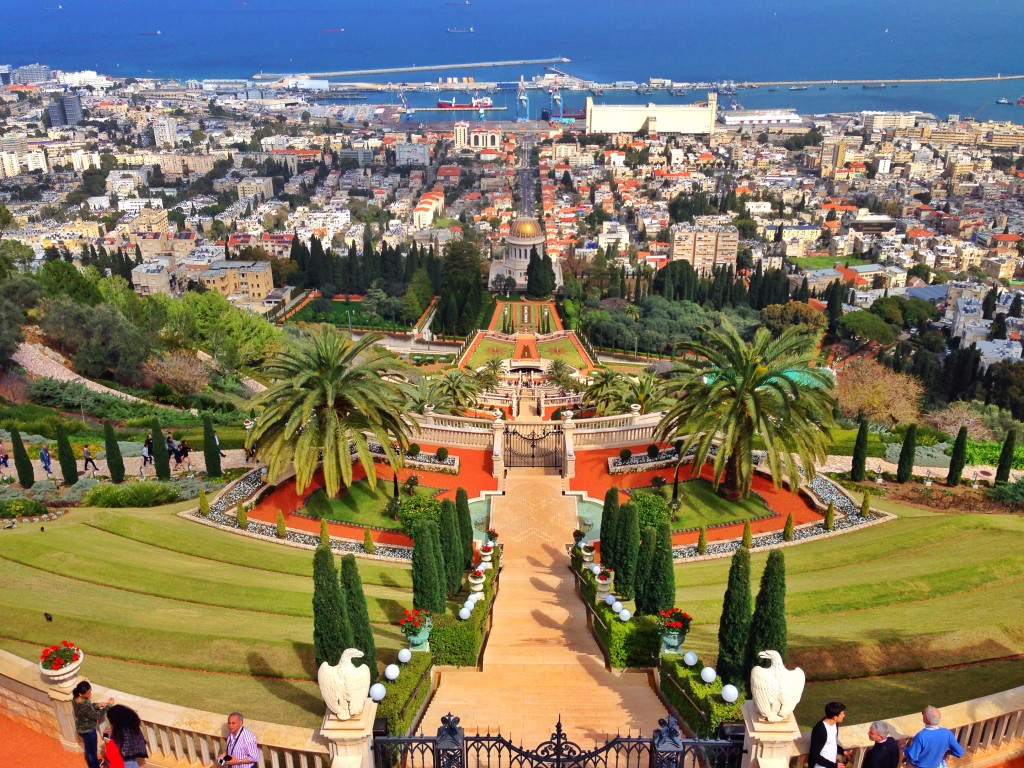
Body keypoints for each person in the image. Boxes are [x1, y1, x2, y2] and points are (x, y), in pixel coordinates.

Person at [72, 680, 114, 768]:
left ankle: (94, 763)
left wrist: (97, 705)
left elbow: (89, 706)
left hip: (81, 729)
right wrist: (108, 706)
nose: (90, 694)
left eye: (90, 691)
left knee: (88, 749)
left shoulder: (76, 699)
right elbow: (96, 716)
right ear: (80, 694)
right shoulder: (83, 705)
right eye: (88, 693)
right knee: (92, 751)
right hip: (88, 731)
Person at [809, 701, 849, 768]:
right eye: (842, 714)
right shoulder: (820, 730)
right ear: (835, 717)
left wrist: (843, 751)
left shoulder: (835, 724)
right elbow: (814, 755)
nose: (844, 715)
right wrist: (834, 765)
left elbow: (831, 743)